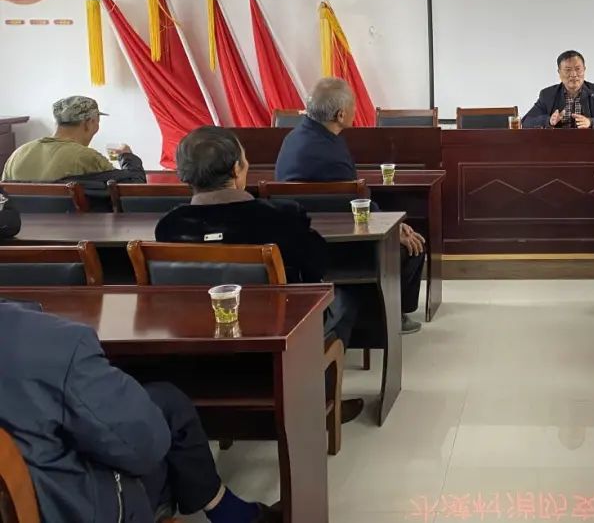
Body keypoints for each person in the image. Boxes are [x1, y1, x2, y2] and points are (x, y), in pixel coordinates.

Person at [0, 298, 279, 523]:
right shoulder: (51, 342)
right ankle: (230, 511)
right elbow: (146, 449)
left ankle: (223, 506)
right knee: (168, 409)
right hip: (79, 511)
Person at [156, 126, 363, 421]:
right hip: (277, 338)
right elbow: (317, 266)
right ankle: (319, 404)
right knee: (344, 299)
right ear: (236, 168)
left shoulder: (169, 227)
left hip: (198, 341)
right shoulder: (282, 216)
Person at [275, 77, 426, 334]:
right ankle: (390, 316)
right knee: (413, 246)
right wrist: (393, 229)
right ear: (341, 114)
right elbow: (353, 203)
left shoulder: (295, 137)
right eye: (354, 105)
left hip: (300, 240)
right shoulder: (329, 153)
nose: (357, 109)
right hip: (338, 246)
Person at [1, 96, 145, 207]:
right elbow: (132, 189)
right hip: (75, 234)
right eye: (97, 121)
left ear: (57, 122)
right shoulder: (86, 157)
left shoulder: (18, 154)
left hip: (23, 232)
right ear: (89, 123)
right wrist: (127, 156)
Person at [521, 50, 594, 129]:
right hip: (558, 145)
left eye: (578, 69)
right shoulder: (547, 95)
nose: (574, 74)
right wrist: (549, 121)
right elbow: (526, 122)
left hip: (590, 145)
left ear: (584, 69)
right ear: (559, 73)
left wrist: (591, 122)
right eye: (568, 70)